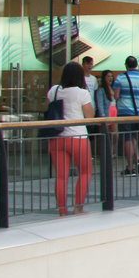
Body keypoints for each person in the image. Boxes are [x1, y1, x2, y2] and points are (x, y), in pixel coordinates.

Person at [46, 61, 96, 216]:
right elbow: (90, 116)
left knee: (61, 176)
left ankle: (62, 210)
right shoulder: (82, 93)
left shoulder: (54, 91)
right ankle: (78, 207)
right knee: (85, 172)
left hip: (57, 138)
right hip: (78, 137)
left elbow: (48, 108)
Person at [112, 56, 139, 176]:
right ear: (136, 65)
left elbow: (116, 96)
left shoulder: (121, 78)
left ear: (126, 65)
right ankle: (137, 159)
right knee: (134, 137)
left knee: (127, 139)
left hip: (124, 112)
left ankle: (130, 167)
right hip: (138, 112)